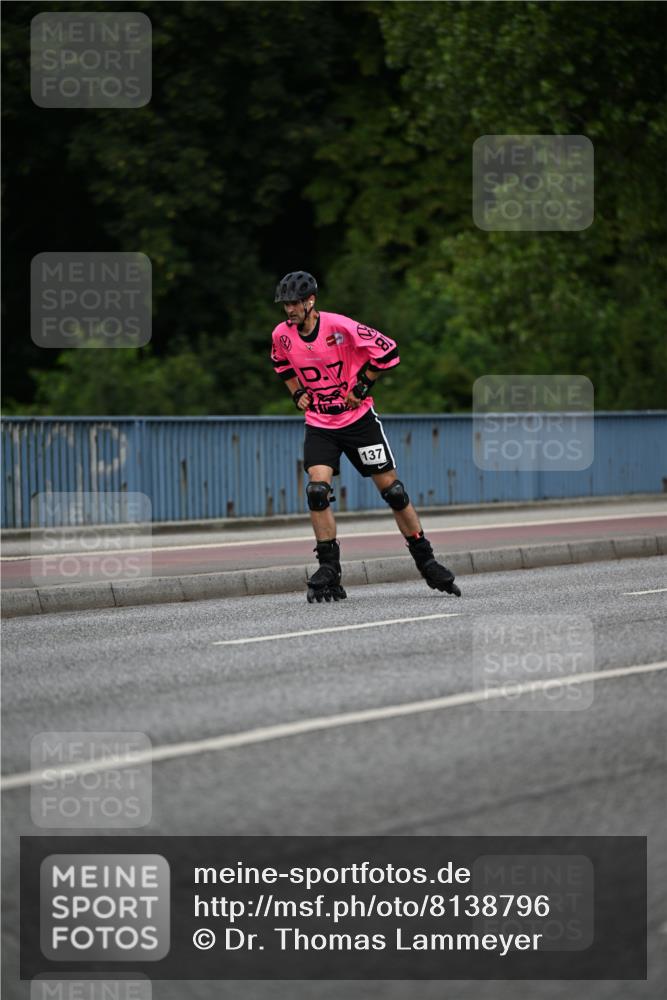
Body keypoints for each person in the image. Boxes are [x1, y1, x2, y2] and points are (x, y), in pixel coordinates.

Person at [270, 271, 461, 603]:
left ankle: (426, 560)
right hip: (320, 423)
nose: (289, 310)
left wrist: (362, 385)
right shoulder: (281, 335)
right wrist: (297, 393)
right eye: (285, 304)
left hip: (358, 422)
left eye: (295, 303)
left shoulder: (340, 326)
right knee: (317, 491)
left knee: (394, 492)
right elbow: (281, 364)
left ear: (310, 301)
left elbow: (388, 350)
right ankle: (329, 569)